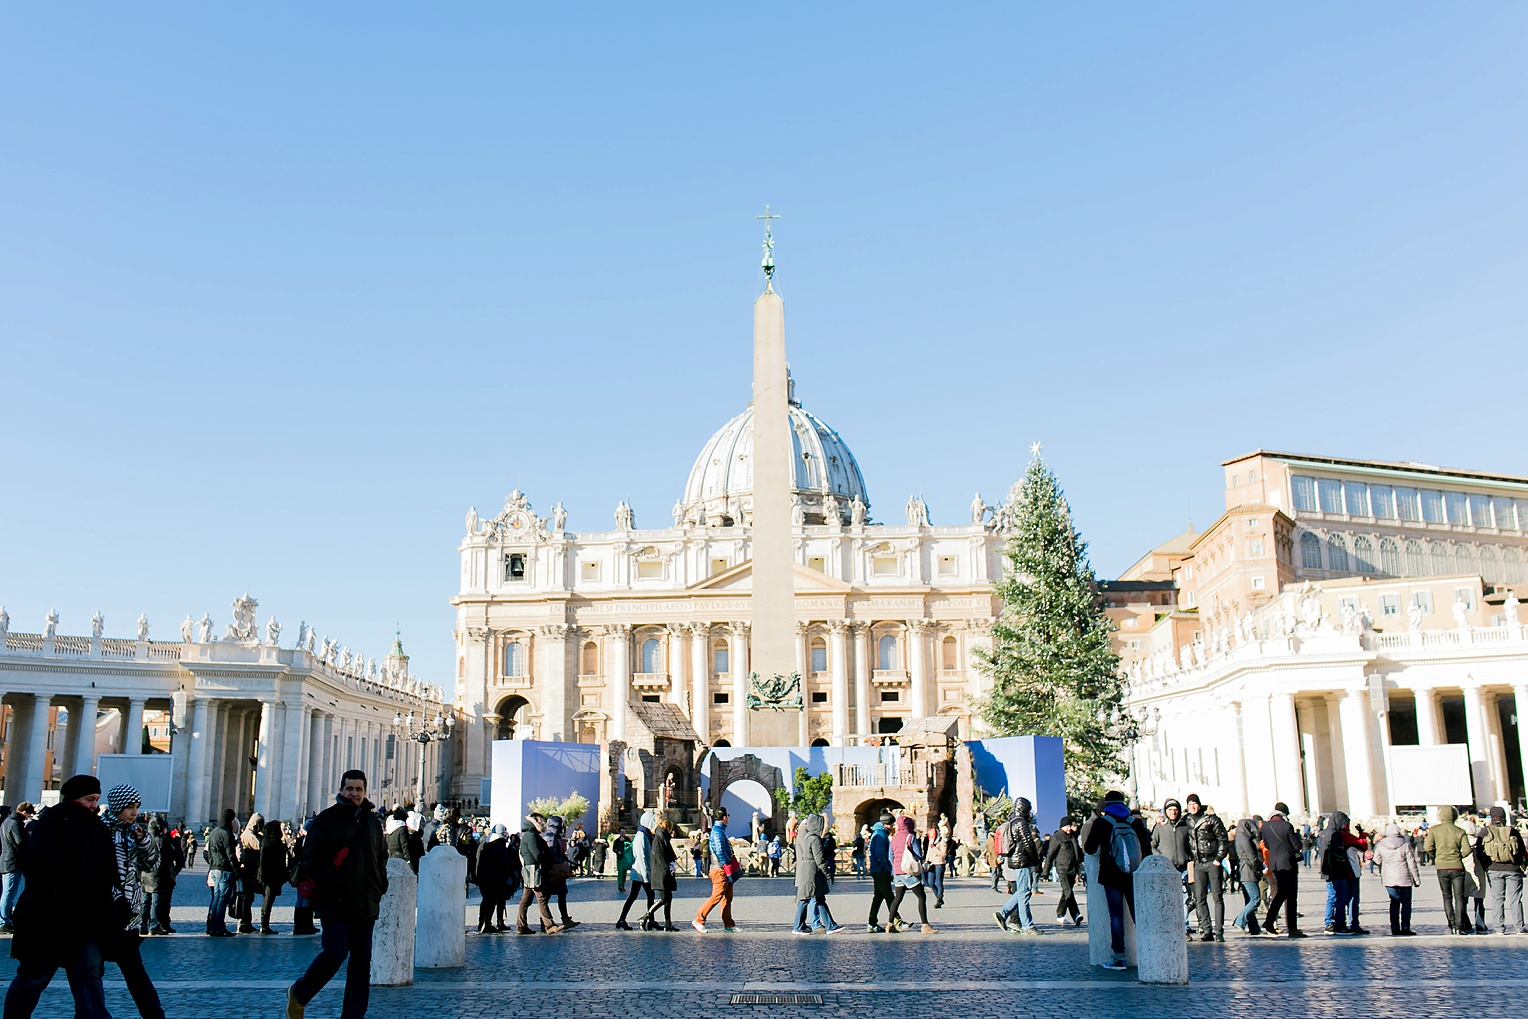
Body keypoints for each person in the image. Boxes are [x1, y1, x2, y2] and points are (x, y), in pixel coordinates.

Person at [2, 775, 116, 1019]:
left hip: (86, 919)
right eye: (89, 800)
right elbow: (40, 866)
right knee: (34, 977)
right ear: (74, 798)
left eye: (96, 799)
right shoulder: (51, 823)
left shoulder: (96, 826)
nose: (94, 805)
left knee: (88, 974)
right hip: (48, 917)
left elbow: (109, 867)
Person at [286, 770, 387, 1019]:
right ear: (341, 790)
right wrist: (334, 886)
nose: (354, 793)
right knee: (335, 953)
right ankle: (300, 992)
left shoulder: (373, 821)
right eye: (349, 788)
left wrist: (379, 885)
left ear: (365, 792)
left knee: (361, 964)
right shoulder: (326, 820)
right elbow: (311, 860)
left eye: (358, 789)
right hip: (336, 903)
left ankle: (354, 1016)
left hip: (366, 902)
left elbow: (381, 856)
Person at [101, 785, 166, 1019]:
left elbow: (152, 864)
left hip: (128, 913)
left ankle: (155, 1014)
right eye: (130, 807)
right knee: (91, 971)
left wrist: (144, 840)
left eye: (137, 807)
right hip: (102, 910)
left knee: (135, 970)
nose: (135, 812)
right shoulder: (100, 830)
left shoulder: (134, 832)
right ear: (118, 806)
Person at [1080, 790, 1152, 971]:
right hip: (1134, 874)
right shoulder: (1135, 823)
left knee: (1116, 916)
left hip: (1111, 874)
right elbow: (1146, 849)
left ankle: (1119, 958)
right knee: (1139, 915)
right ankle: (1148, 952)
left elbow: (1089, 849)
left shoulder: (1102, 823)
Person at [993, 798, 1041, 934]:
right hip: (1022, 860)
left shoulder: (1013, 821)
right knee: (1024, 893)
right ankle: (1027, 925)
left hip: (1015, 860)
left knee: (1021, 891)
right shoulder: (1021, 823)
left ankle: (1003, 914)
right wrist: (1036, 860)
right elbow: (1028, 843)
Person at [1423, 805, 1473, 934]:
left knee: (1447, 897)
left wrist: (1437, 856)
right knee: (1459, 897)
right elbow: (1467, 849)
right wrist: (1458, 856)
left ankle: (1452, 925)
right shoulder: (1460, 831)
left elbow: (1427, 847)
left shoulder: (1434, 830)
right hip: (1457, 866)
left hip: (1442, 866)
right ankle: (1460, 925)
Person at [1185, 794, 1228, 942]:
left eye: (1194, 804)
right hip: (1197, 863)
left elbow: (1223, 839)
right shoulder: (1187, 820)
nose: (1192, 807)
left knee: (1217, 897)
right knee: (1199, 898)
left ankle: (1219, 931)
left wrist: (1218, 859)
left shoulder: (1211, 819)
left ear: (1199, 804)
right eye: (1190, 804)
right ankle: (1206, 929)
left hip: (1212, 862)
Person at [1259, 803, 1307, 938]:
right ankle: (1292, 929)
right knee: (1291, 897)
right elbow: (1296, 846)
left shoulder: (1266, 826)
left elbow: (1267, 844)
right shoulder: (1287, 826)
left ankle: (1269, 921)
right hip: (1288, 864)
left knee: (1280, 894)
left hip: (1275, 864)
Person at [792, 814, 844, 934]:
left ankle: (830, 925)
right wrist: (827, 873)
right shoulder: (814, 839)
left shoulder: (808, 836)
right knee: (805, 899)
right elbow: (819, 859)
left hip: (809, 869)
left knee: (819, 898)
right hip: (812, 871)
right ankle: (798, 926)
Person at [1479, 806, 1526, 936]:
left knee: (1497, 898)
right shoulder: (1512, 831)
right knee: (1515, 899)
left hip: (1493, 869)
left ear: (1492, 817)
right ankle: (1519, 927)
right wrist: (1522, 867)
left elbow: (1479, 852)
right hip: (1513, 869)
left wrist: (1486, 866)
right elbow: (1523, 851)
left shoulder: (1485, 831)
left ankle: (1499, 928)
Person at [887, 814, 935, 934]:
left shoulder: (894, 838)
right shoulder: (910, 837)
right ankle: (925, 925)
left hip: (897, 872)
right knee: (921, 896)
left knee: (897, 898)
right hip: (908, 871)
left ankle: (890, 923)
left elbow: (890, 856)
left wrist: (895, 868)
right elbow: (918, 854)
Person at [1317, 811, 1364, 935]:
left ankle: (1329, 923)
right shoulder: (1336, 835)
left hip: (1327, 871)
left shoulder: (1323, 833)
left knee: (1332, 897)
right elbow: (1339, 855)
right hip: (1337, 872)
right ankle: (1338, 924)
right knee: (1341, 897)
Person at [692, 805, 737, 932]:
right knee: (716, 897)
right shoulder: (717, 831)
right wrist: (726, 864)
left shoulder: (720, 830)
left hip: (723, 868)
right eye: (727, 816)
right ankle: (699, 920)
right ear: (724, 818)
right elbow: (719, 849)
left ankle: (729, 924)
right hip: (720, 869)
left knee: (727, 897)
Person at [1150, 798, 1191, 934]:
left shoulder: (1185, 826)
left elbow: (1190, 845)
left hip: (1183, 868)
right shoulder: (1160, 827)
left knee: (1185, 898)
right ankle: (1168, 923)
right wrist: (1160, 858)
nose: (1173, 812)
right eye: (1170, 810)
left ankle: (1183, 925)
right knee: (1167, 897)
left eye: (1175, 810)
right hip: (1166, 868)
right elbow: (1152, 844)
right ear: (1165, 811)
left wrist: (1189, 858)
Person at [516, 813, 561, 935]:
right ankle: (549, 925)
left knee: (526, 899)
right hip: (534, 871)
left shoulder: (531, 835)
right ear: (535, 820)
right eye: (541, 820)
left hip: (531, 870)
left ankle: (521, 926)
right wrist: (547, 864)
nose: (543, 823)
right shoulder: (531, 836)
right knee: (541, 897)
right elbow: (537, 854)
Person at [1373, 822, 1421, 936]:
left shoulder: (1381, 845)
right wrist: (1417, 879)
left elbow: (1376, 860)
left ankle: (1394, 928)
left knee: (1394, 902)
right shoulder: (1405, 845)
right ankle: (1405, 927)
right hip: (1404, 877)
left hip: (1389, 878)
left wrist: (1384, 864)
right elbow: (1411, 864)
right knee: (1406, 904)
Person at [141, 817, 183, 936]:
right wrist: (174, 871)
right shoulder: (163, 840)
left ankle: (142, 925)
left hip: (145, 875)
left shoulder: (144, 839)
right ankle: (154, 926)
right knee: (157, 902)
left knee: (145, 901)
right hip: (159, 875)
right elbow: (175, 856)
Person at [616, 813, 654, 930]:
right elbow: (641, 857)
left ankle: (622, 920)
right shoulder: (641, 836)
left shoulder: (645, 835)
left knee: (636, 896)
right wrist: (646, 876)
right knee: (644, 895)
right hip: (641, 872)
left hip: (641, 872)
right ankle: (649, 920)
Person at [204, 809, 239, 937]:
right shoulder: (226, 833)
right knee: (223, 900)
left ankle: (212, 926)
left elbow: (207, 853)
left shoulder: (214, 832)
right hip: (224, 869)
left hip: (214, 868)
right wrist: (236, 869)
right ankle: (219, 927)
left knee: (216, 899)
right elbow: (231, 854)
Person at [540, 816, 579, 930]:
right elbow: (552, 854)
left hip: (555, 871)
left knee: (560, 894)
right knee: (546, 897)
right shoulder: (550, 838)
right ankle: (546, 922)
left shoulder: (553, 837)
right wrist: (560, 861)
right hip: (553, 871)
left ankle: (563, 919)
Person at [1043, 815, 1083, 927]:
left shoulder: (1073, 836)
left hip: (1072, 869)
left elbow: (1078, 852)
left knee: (1066, 893)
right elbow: (1050, 855)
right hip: (1062, 869)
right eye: (1066, 826)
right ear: (1061, 827)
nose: (1069, 828)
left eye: (1070, 826)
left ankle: (1060, 915)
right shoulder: (1057, 837)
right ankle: (1076, 914)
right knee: (1068, 891)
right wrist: (1046, 872)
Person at [0, 802, 33, 934]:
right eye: (29, 814)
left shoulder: (8, 821)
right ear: (24, 812)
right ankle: (4, 921)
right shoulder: (15, 823)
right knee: (9, 893)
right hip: (13, 862)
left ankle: (4, 919)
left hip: (7, 860)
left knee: (7, 892)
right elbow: (21, 842)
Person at [641, 817, 679, 931]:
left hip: (665, 871)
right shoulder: (660, 837)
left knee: (668, 898)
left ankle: (668, 924)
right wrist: (666, 869)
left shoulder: (662, 837)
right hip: (662, 872)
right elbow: (659, 856)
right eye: (670, 828)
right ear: (666, 827)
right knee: (663, 898)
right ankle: (645, 917)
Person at [474, 825, 512, 933]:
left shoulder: (486, 844)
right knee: (491, 901)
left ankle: (482, 922)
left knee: (486, 901)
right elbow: (503, 864)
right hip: (496, 879)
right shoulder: (500, 846)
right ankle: (487, 924)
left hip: (484, 877)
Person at [1230, 818, 1264, 937]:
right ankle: (1239, 921)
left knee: (1249, 899)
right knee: (1255, 899)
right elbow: (1251, 856)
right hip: (1248, 870)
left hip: (1244, 869)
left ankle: (1254, 927)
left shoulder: (1240, 837)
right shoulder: (1245, 839)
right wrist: (1259, 867)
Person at [258, 817, 289, 935]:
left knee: (267, 899)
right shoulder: (276, 844)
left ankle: (264, 923)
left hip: (265, 875)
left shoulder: (265, 841)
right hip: (272, 876)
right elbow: (280, 862)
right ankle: (264, 925)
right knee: (268, 900)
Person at [865, 811, 894, 932]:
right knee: (889, 896)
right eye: (892, 824)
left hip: (877, 869)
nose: (893, 827)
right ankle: (897, 921)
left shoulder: (879, 833)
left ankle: (872, 923)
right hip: (880, 870)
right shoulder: (880, 835)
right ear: (887, 824)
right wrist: (887, 869)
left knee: (878, 897)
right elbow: (879, 855)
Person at [289, 819, 319, 937]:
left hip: (300, 873)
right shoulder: (312, 842)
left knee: (300, 899)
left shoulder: (299, 841)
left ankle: (299, 926)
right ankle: (305, 925)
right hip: (308, 873)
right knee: (307, 898)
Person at [236, 812, 264, 934]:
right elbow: (261, 846)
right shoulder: (249, 835)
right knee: (247, 898)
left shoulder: (250, 833)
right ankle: (244, 923)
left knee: (249, 897)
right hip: (248, 870)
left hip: (250, 869)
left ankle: (247, 922)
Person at [923, 824, 948, 908]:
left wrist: (934, 848)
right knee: (930, 882)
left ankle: (939, 900)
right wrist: (926, 861)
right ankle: (939, 897)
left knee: (938, 882)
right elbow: (928, 852)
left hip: (939, 863)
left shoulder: (942, 842)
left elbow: (943, 854)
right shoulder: (931, 841)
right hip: (931, 863)